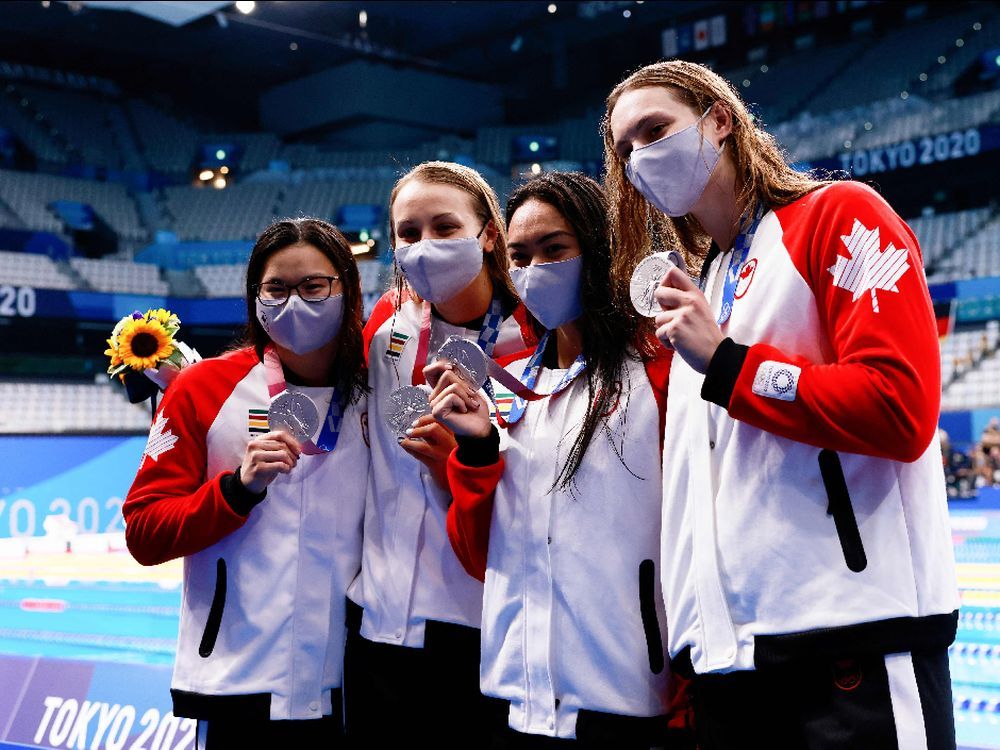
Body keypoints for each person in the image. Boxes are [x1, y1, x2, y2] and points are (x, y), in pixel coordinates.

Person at [604, 59, 960, 749]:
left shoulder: (838, 215)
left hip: (854, 639)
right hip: (732, 662)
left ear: (719, 120)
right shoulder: (705, 278)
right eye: (624, 149)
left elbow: (901, 406)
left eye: (655, 129)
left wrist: (731, 366)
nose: (642, 156)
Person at [426, 172, 691, 748]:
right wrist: (474, 451)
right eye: (518, 256)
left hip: (630, 703)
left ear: (598, 251)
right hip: (513, 701)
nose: (533, 270)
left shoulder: (663, 375)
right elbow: (480, 558)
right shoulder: (507, 388)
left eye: (555, 249)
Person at [122, 218, 369, 747]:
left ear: (347, 290)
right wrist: (237, 490)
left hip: (358, 681)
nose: (294, 302)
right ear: (255, 297)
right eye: (276, 288)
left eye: (314, 286)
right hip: (239, 677)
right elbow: (144, 532)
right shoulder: (203, 387)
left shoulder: (378, 390)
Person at [345, 161, 537, 744]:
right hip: (376, 624)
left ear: (488, 235)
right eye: (408, 233)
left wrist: (460, 460)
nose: (424, 246)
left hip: (480, 627)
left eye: (445, 227)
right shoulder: (386, 324)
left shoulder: (538, 337)